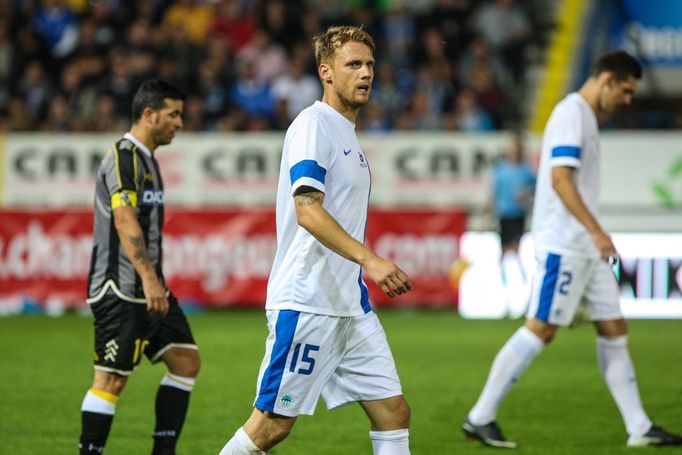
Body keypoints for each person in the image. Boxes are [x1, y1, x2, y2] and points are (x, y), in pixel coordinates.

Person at [462, 50, 682, 449]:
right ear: (608, 80)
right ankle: (480, 416)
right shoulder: (572, 114)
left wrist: (593, 236)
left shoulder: (586, 118)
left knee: (614, 328)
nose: (628, 100)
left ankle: (639, 427)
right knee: (541, 329)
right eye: (627, 91)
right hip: (564, 245)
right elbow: (561, 180)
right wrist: (597, 231)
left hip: (584, 247)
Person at [219, 25, 413, 455]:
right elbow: (307, 210)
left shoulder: (348, 134)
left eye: (370, 65)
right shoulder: (313, 125)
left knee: (394, 413)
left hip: (350, 306)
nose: (366, 74)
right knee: (270, 427)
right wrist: (372, 261)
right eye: (354, 65)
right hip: (308, 301)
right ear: (326, 72)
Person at [79, 79, 201, 455]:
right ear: (149, 114)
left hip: (149, 285)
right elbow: (124, 220)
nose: (179, 123)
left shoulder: (147, 158)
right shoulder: (124, 156)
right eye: (173, 114)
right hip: (121, 285)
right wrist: (149, 278)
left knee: (185, 360)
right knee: (111, 379)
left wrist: (154, 281)